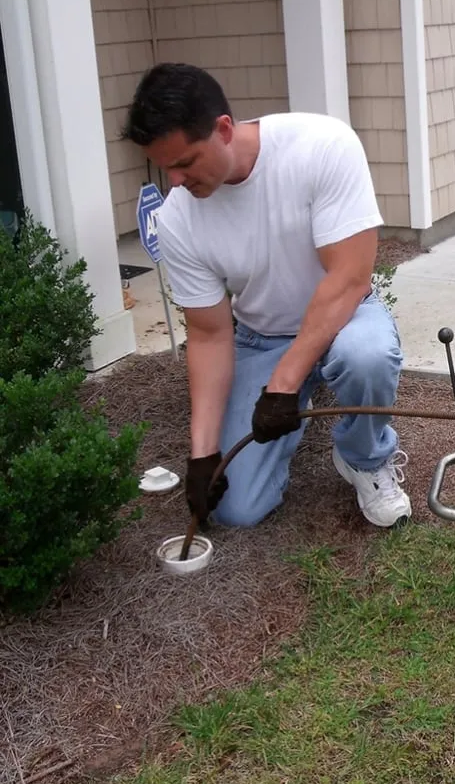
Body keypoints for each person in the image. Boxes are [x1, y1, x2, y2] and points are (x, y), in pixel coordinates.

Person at [121, 62, 411, 530]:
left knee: (367, 357)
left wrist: (282, 385)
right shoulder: (178, 219)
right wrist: (202, 454)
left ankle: (363, 457)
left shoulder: (321, 146)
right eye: (163, 167)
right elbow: (210, 334)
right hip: (262, 336)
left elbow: (351, 279)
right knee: (238, 509)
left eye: (185, 162)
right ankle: (301, 400)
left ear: (223, 129)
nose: (174, 181)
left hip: (346, 319)